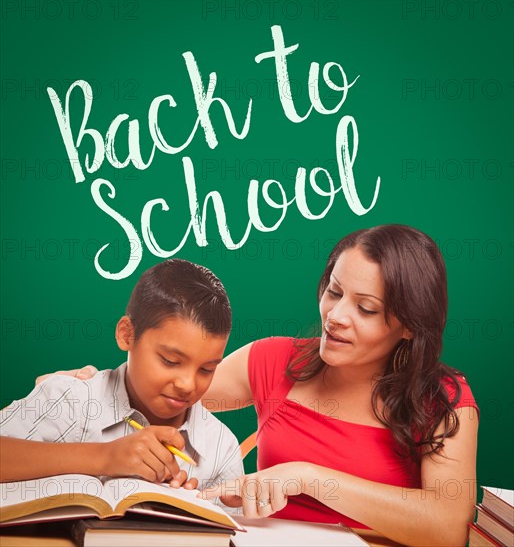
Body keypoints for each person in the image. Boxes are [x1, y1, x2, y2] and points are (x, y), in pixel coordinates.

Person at [29, 225, 479, 546]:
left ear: (407, 325)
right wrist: (82, 391)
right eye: (334, 291)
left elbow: (446, 526)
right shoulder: (275, 360)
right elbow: (169, 388)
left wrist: (308, 478)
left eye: (366, 308)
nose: (336, 316)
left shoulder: (443, 398)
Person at [0, 259, 243, 493]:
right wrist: (104, 457)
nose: (187, 385)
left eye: (207, 369)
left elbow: (235, 532)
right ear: (127, 334)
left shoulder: (222, 448)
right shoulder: (68, 399)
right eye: (170, 361)